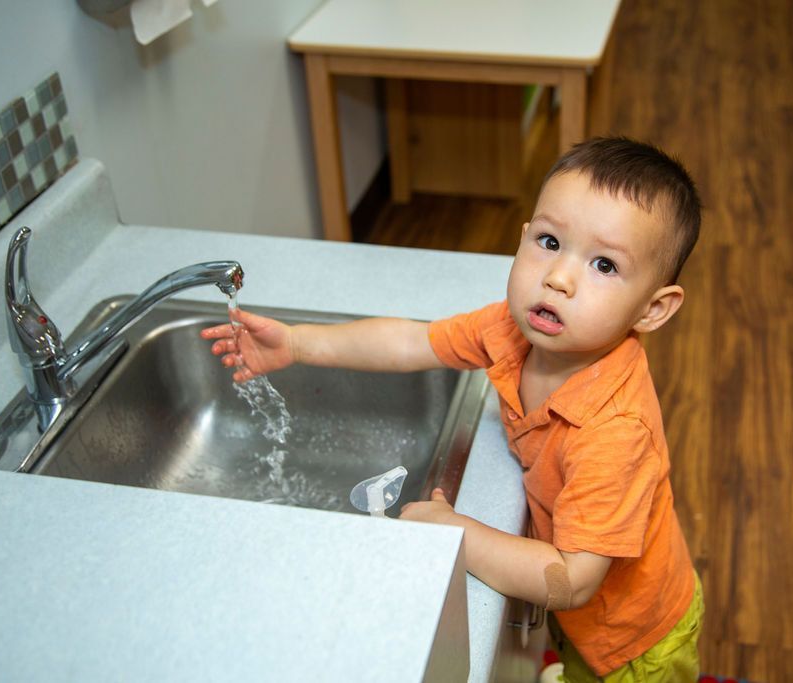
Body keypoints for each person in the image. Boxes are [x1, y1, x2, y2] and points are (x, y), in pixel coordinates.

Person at [201, 136, 704, 682]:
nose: (558, 277)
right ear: (523, 237)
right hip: (584, 625)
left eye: (604, 264)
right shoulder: (513, 331)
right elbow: (414, 342)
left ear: (653, 309)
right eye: (550, 241)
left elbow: (573, 579)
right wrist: (298, 345)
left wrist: (455, 529)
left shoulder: (614, 431)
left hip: (634, 645)